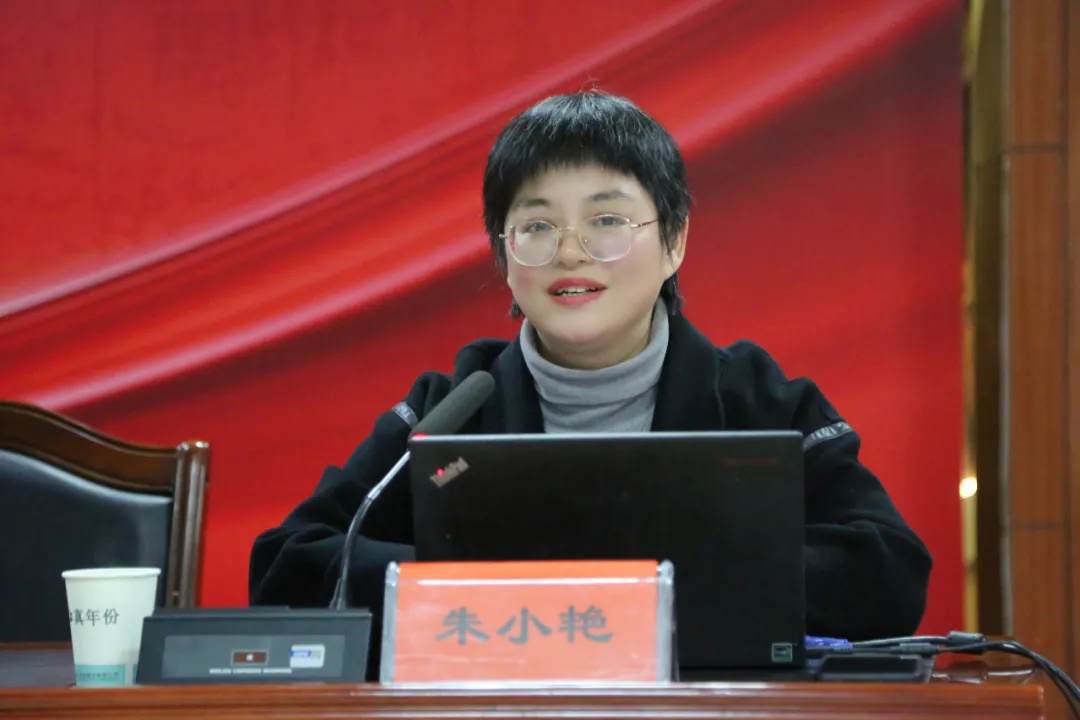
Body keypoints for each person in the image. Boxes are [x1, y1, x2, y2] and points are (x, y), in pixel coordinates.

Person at [249, 91, 933, 676]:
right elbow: (288, 563)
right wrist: (503, 584)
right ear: (503, 256)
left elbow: (889, 572)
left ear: (674, 242)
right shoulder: (451, 407)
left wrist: (629, 582)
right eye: (536, 226)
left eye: (607, 221)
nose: (571, 250)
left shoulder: (760, 400)